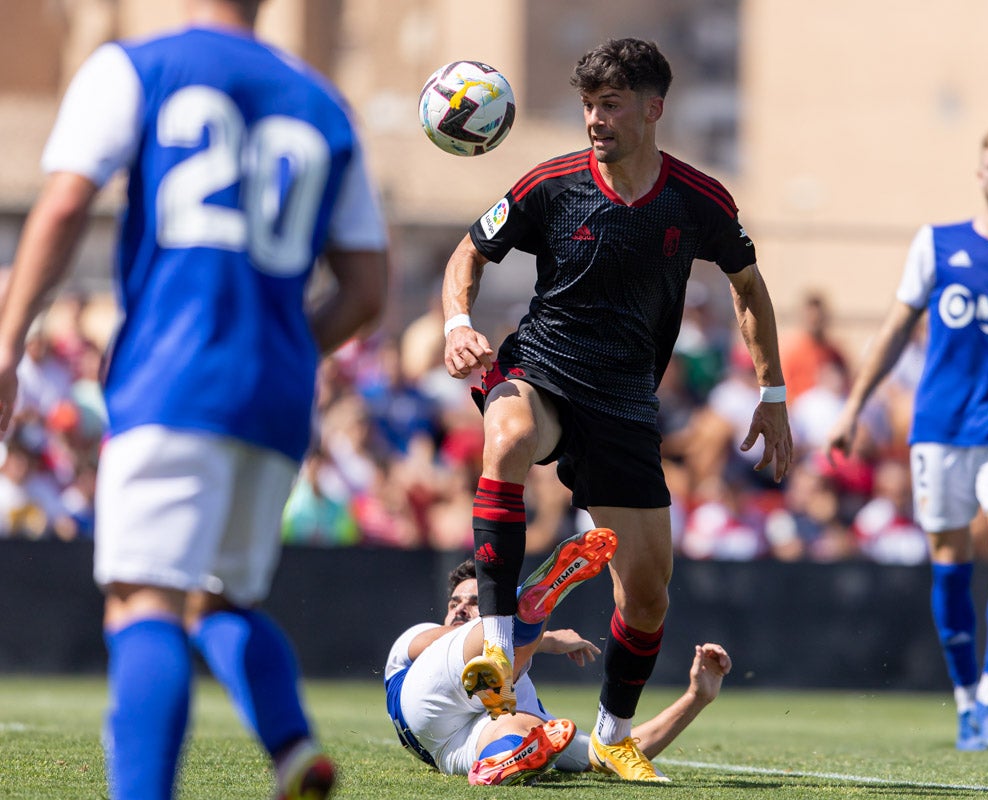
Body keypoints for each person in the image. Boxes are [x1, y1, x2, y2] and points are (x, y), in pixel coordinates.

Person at [0, 1, 390, 798]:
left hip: (173, 372)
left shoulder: (135, 66)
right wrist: (280, 350)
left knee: (141, 601)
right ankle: (289, 747)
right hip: (276, 395)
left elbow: (68, 201)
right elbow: (367, 290)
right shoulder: (323, 102)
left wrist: (7, 344)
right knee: (220, 597)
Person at [440, 37, 791, 781]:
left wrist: (773, 394)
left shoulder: (698, 199)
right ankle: (501, 645)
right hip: (545, 370)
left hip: (627, 402)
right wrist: (455, 323)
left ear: (652, 109)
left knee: (648, 596)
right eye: (589, 106)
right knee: (505, 434)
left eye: (611, 105)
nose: (596, 120)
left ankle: (612, 736)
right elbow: (469, 252)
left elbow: (749, 290)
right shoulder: (551, 184)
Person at [826, 127, 988, 751]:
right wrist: (853, 407)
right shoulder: (937, 244)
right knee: (951, 563)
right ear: (980, 174)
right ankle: (967, 701)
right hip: (938, 432)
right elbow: (892, 331)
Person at [384, 534, 733, 785]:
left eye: (474, 600)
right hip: (420, 706)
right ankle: (528, 608)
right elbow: (440, 643)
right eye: (454, 602)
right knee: (492, 630)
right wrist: (544, 640)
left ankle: (505, 758)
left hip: (455, 750)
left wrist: (696, 698)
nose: (460, 608)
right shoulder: (420, 636)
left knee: (529, 727)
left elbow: (605, 753)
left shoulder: (524, 695)